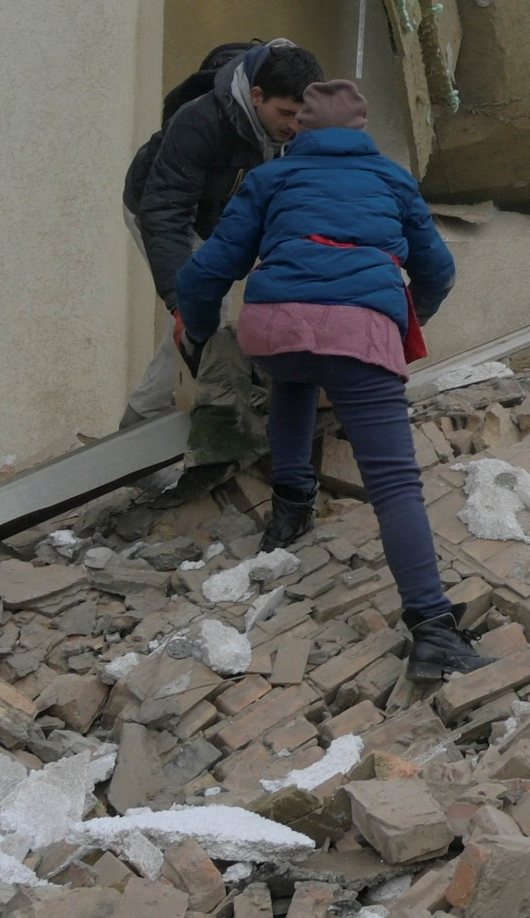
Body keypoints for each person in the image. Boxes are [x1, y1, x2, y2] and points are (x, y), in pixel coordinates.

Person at [169, 77, 475, 679]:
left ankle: (291, 506)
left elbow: (203, 274)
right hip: (358, 332)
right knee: (394, 483)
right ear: (360, 132)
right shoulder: (391, 178)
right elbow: (438, 269)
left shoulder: (270, 178)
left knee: (295, 375)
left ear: (302, 130)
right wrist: (401, 315)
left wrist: (200, 336)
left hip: (273, 330)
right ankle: (433, 630)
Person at [123, 38, 324, 470]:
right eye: (284, 114)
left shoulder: (305, 126)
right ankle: (138, 433)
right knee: (203, 318)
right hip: (161, 210)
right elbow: (165, 212)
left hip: (222, 219)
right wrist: (181, 300)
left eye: (301, 116)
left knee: (216, 318)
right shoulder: (200, 122)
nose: (294, 126)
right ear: (256, 96)